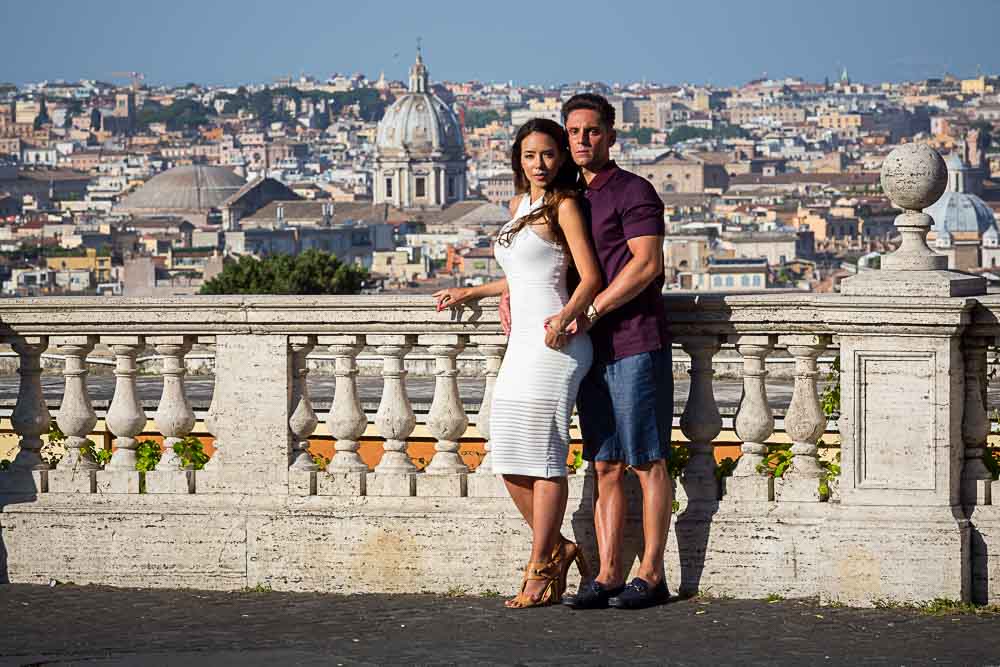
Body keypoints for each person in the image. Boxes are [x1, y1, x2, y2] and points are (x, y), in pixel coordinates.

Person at [502, 93, 673, 610]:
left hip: (634, 341)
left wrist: (590, 312)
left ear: (611, 135)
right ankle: (607, 573)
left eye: (592, 131)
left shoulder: (633, 191)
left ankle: (653, 571)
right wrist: (506, 291)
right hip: (587, 349)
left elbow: (647, 266)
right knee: (604, 466)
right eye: (573, 132)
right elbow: (545, 264)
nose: (581, 140)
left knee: (647, 460)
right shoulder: (563, 195)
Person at [434, 118, 602, 608]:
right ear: (518, 160)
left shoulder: (564, 205)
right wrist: (473, 289)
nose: (540, 164)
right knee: (507, 455)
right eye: (530, 155)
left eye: (549, 154)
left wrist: (567, 316)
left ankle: (538, 570)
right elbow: (521, 276)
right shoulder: (518, 206)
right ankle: (559, 549)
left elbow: (588, 275)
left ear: (561, 158)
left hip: (557, 344)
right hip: (522, 342)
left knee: (546, 452)